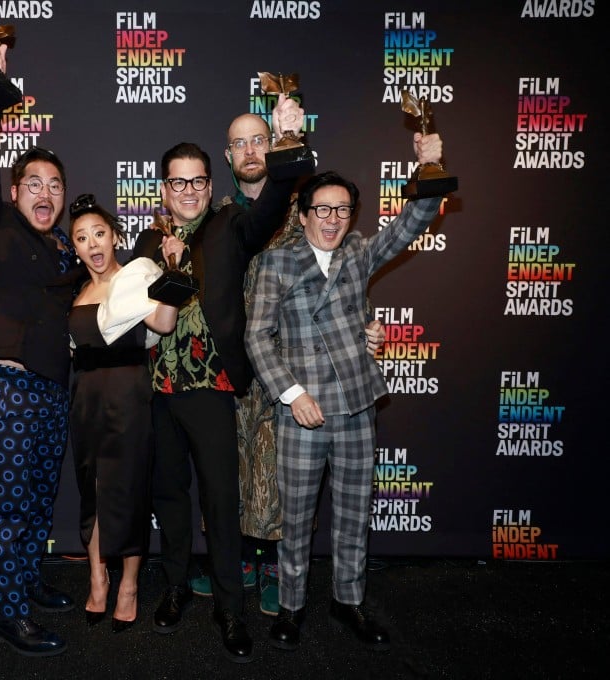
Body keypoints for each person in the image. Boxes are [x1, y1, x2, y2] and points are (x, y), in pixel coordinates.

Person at [244, 132, 446, 652]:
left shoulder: (358, 251)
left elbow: (408, 225)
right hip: (301, 412)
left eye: (343, 211)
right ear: (304, 213)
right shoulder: (276, 263)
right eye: (322, 210)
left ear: (351, 216)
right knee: (297, 520)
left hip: (356, 406)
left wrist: (430, 167)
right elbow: (256, 336)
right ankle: (291, 606)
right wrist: (291, 394)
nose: (332, 220)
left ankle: (348, 600)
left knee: (354, 514)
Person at [188, 114, 385, 618]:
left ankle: (277, 567)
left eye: (261, 140)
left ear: (273, 148)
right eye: (240, 144)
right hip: (232, 366)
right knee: (235, 470)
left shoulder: (303, 210)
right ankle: (240, 561)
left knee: (284, 480)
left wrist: (364, 322)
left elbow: (339, 279)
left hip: (293, 366)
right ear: (228, 156)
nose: (251, 151)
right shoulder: (215, 215)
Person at [131, 94, 305, 664]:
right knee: (170, 497)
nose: (187, 190)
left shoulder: (232, 223)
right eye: (177, 182)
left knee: (222, 503)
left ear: (210, 184)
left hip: (212, 386)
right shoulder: (148, 243)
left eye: (197, 180)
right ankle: (177, 587)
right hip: (158, 389)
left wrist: (284, 147)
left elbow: (273, 203)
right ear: (163, 188)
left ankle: (230, 607)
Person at [0, 42, 81, 657]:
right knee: (8, 504)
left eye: (54, 184)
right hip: (7, 387)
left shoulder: (65, 247)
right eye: (32, 182)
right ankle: (7, 613)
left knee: (36, 496)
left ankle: (27, 581)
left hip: (52, 387)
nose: (44, 192)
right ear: (15, 193)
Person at [66, 194, 178, 633]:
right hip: (86, 400)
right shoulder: (78, 291)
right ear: (74, 246)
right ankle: (98, 578)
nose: (92, 244)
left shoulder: (134, 282)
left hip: (130, 397)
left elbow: (165, 324)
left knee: (128, 492)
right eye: (81, 238)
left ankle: (128, 586)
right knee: (92, 489)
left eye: (99, 234)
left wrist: (172, 273)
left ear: (115, 236)